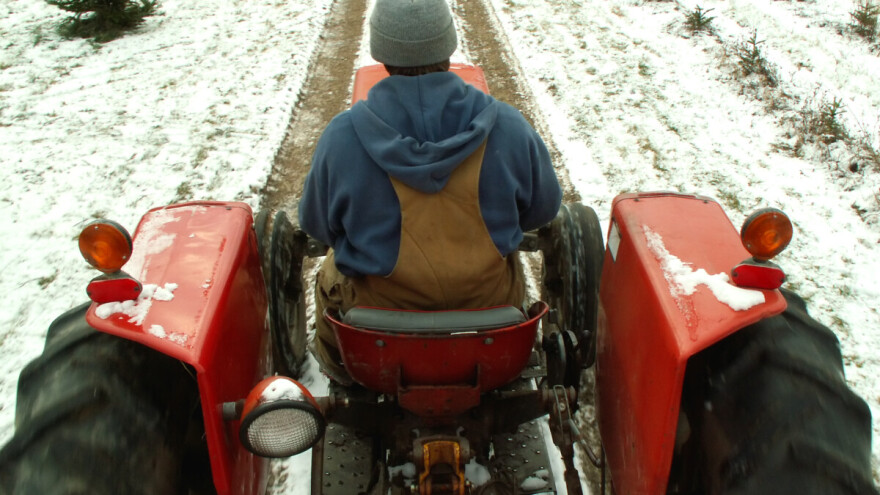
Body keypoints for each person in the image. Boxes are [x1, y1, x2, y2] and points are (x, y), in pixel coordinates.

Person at [298, 0, 562, 383]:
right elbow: (542, 210)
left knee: (331, 268)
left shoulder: (342, 137)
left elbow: (318, 226)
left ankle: (334, 368)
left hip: (374, 333)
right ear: (448, 46)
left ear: (381, 53)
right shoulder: (508, 126)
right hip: (493, 320)